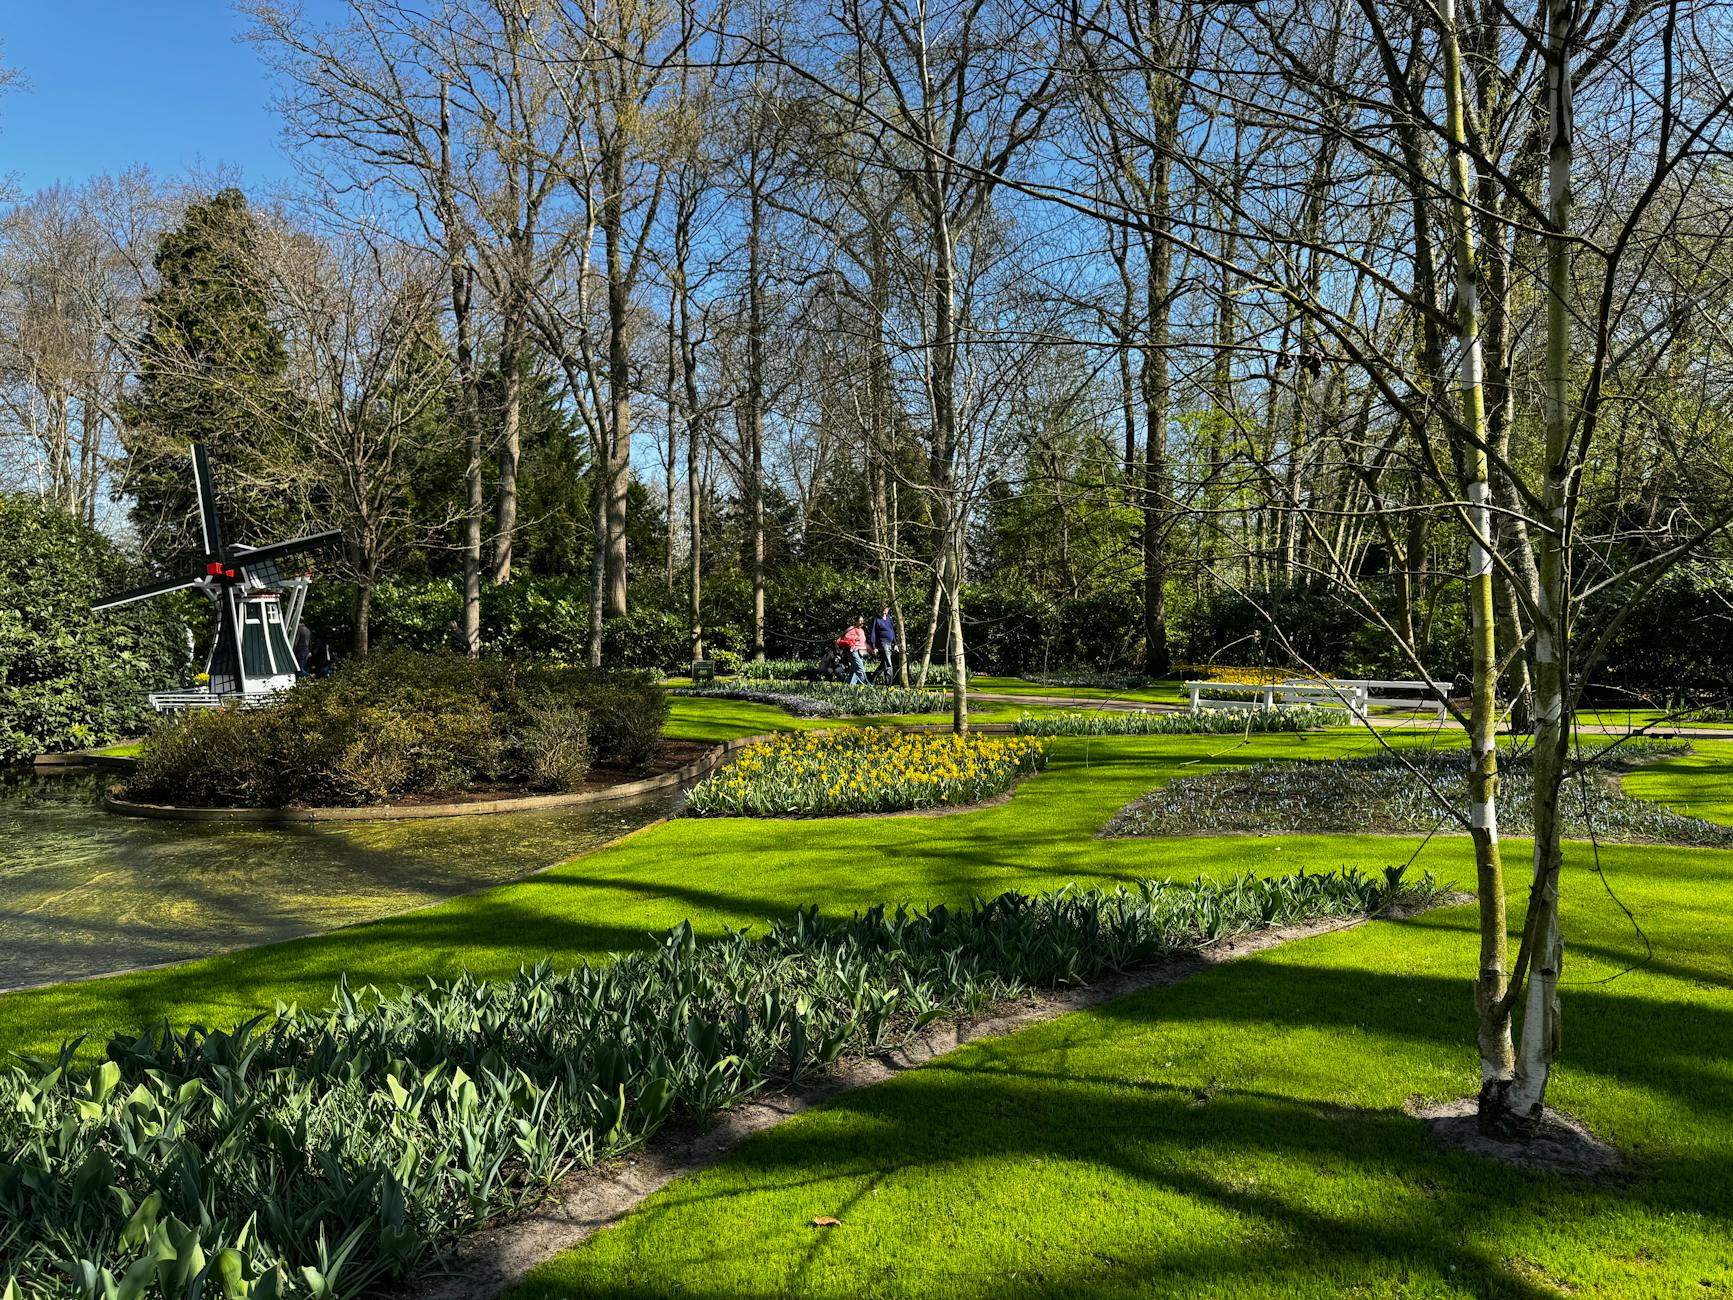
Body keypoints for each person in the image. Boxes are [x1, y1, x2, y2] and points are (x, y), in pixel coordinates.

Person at [835, 616, 870, 685]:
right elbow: (847, 638)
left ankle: (848, 686)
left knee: (853, 671)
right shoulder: (852, 628)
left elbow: (863, 642)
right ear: (856, 621)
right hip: (853, 652)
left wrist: (871, 649)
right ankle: (866, 686)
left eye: (862, 621)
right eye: (860, 621)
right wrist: (855, 639)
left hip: (860, 653)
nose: (862, 622)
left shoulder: (861, 630)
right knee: (860, 669)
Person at [868, 605, 898, 684]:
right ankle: (889, 683)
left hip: (890, 643)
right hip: (883, 643)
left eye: (886, 610)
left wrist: (895, 644)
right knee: (888, 663)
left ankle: (872, 678)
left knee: (884, 664)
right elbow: (873, 633)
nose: (885, 612)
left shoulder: (889, 619)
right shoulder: (877, 619)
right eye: (883, 610)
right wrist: (874, 646)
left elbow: (892, 631)